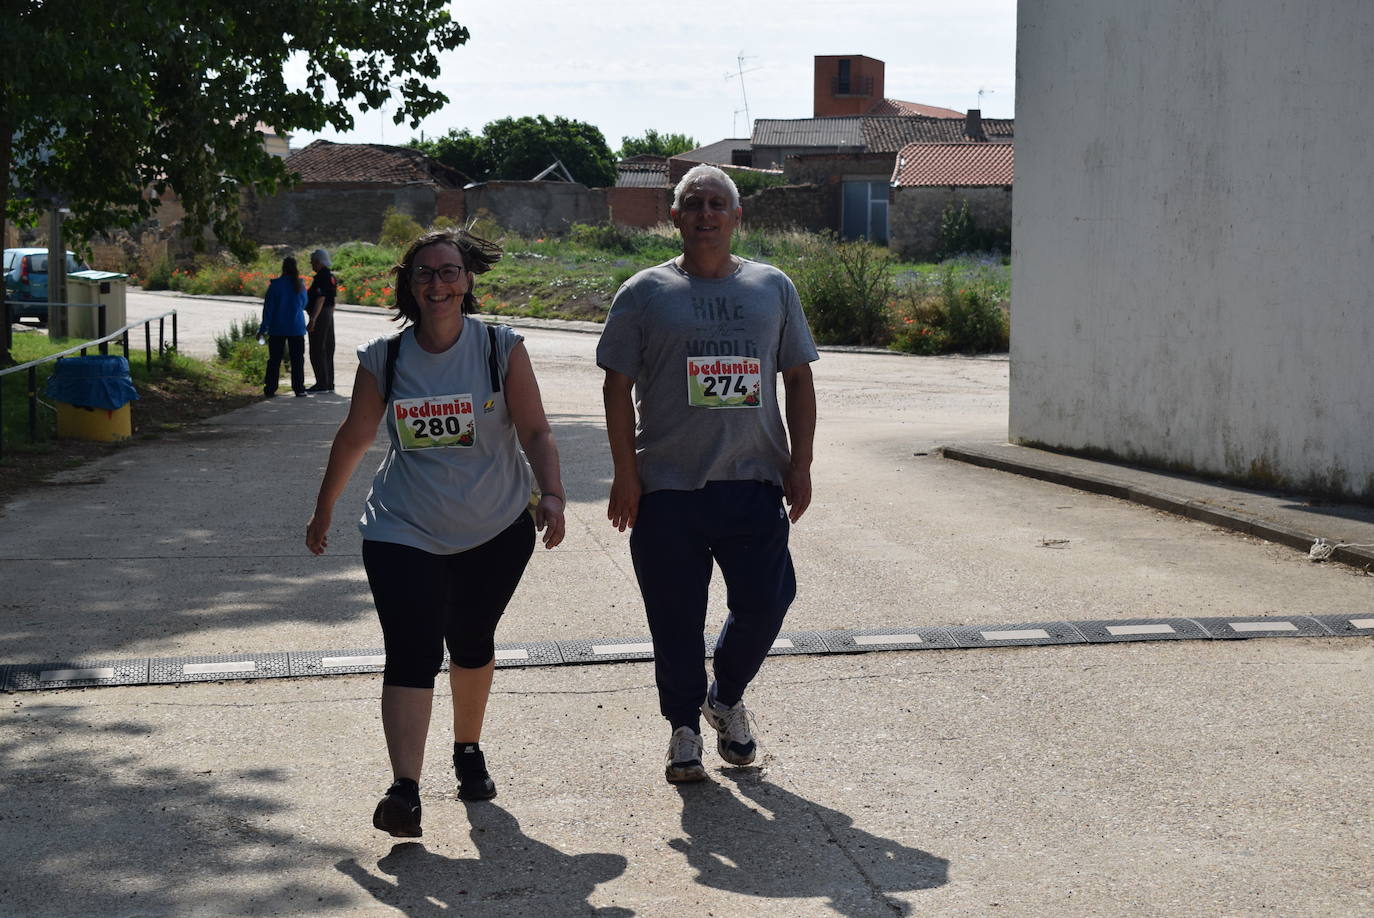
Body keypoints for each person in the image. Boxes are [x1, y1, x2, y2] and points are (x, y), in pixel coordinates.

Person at [306, 229, 567, 838]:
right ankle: (405, 790)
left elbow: (536, 431)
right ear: (410, 284)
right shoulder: (385, 358)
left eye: (449, 271)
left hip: (495, 527)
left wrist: (552, 493)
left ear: (467, 281)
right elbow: (354, 438)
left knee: (471, 640)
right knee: (412, 648)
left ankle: (467, 749)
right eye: (424, 273)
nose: (437, 283)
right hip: (403, 528)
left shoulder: (500, 348)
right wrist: (324, 509)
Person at [596, 164, 818, 783]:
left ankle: (724, 696)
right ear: (674, 217)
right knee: (675, 617)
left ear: (737, 216)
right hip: (667, 486)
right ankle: (683, 729)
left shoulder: (772, 286)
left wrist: (801, 464)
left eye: (718, 203)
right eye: (693, 204)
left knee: (768, 600)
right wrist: (625, 474)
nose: (705, 214)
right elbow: (616, 388)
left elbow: (799, 379)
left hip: (754, 479)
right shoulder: (644, 292)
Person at [258, 256, 309, 397]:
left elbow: (268, 310)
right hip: (296, 327)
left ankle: (270, 388)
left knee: (274, 359)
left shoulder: (275, 286)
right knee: (297, 359)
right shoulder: (300, 285)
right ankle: (299, 388)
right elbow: (304, 304)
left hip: (277, 327)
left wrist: (262, 329)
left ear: (283, 268)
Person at [306, 247, 337, 392]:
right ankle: (328, 383)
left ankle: (321, 383)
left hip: (320, 313)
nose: (311, 264)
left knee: (317, 348)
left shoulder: (321, 277)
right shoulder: (331, 277)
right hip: (328, 313)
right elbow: (333, 300)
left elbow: (321, 298)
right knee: (328, 348)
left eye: (312, 261)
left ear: (318, 262)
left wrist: (313, 319)